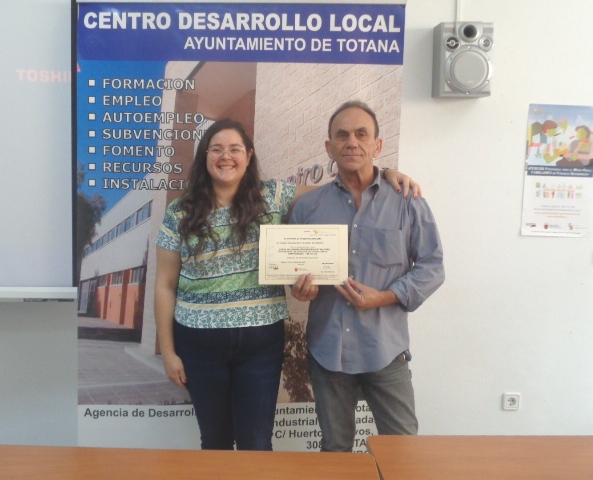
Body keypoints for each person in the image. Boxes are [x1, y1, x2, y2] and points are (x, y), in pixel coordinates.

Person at [154, 118, 420, 451]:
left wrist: (386, 175)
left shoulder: (272, 196)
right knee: (215, 441)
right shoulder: (180, 212)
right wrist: (168, 353)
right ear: (204, 157)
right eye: (216, 149)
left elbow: (339, 191)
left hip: (260, 345)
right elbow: (164, 285)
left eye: (235, 149)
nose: (226, 156)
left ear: (248, 156)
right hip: (198, 344)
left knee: (257, 443)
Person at [290, 100, 445, 452]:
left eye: (362, 134)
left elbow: (432, 267)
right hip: (328, 351)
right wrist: (301, 290)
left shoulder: (408, 199)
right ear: (329, 147)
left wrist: (385, 297)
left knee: (402, 452)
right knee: (335, 452)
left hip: (385, 350)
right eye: (342, 135)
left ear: (377, 145)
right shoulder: (307, 207)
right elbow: (293, 272)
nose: (352, 142)